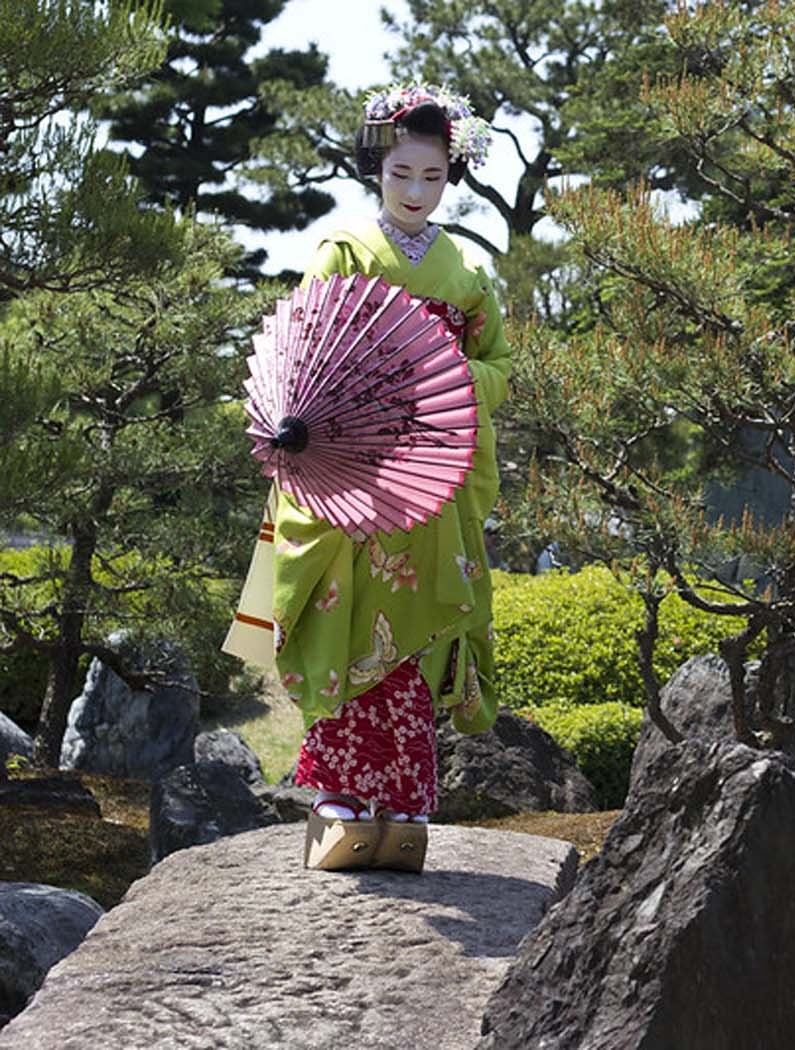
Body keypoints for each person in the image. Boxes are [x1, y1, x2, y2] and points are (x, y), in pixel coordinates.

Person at [223, 83, 510, 873]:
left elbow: (497, 365)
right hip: (353, 474)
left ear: (452, 175)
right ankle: (339, 799)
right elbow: (307, 352)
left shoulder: (468, 272)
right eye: (400, 176)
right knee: (345, 623)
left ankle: (407, 803)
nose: (416, 192)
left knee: (413, 637)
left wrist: (445, 373)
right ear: (374, 171)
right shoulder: (342, 252)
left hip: (429, 474)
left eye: (432, 177)